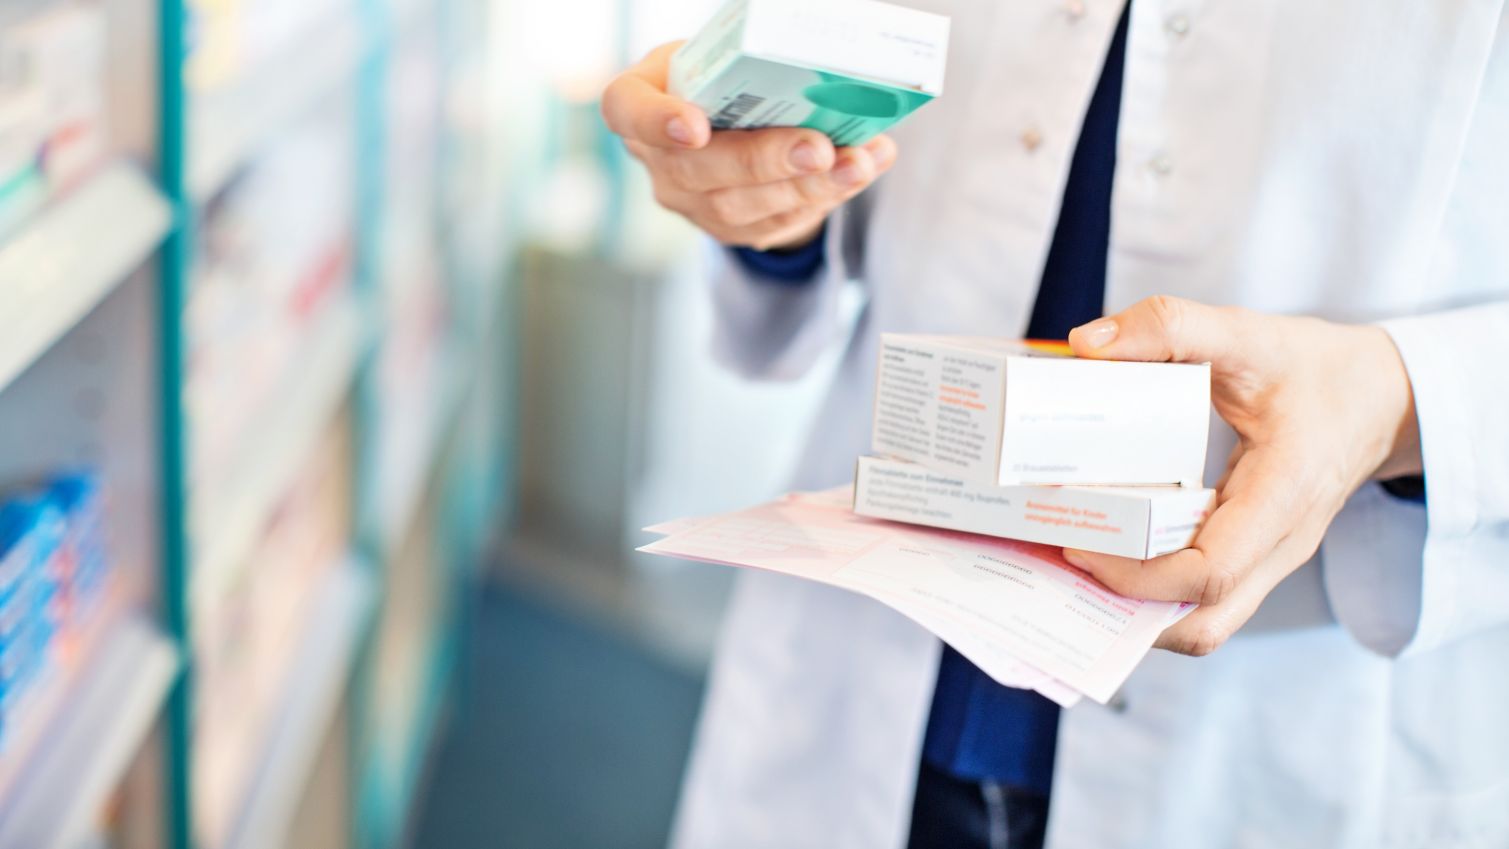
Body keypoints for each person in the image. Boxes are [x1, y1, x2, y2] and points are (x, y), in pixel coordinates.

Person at [601, 2, 1509, 847]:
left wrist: (1394, 401)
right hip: (863, 677)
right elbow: (835, 181)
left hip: (1289, 714)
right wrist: (757, 199)